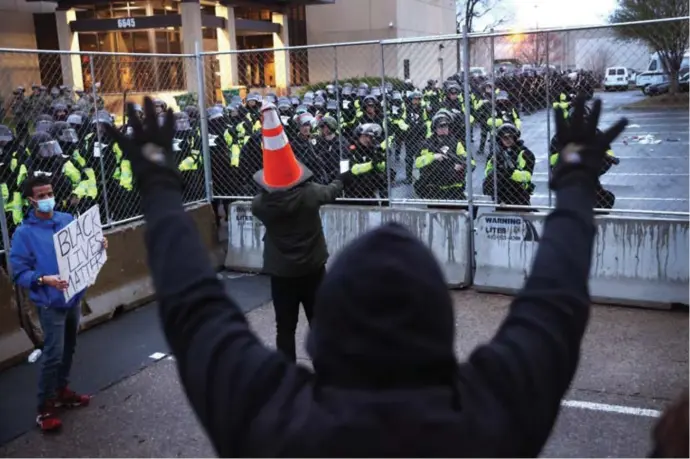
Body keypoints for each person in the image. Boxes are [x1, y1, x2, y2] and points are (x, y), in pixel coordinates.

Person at [105, 95, 627, 457]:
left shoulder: (275, 427)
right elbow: (553, 303)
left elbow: (195, 309)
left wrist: (155, 182)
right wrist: (577, 176)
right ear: (441, 330)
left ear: (324, 335)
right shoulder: (489, 423)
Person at [9, 174, 108, 432]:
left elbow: (82, 250)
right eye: (41, 196)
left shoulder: (66, 220)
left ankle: (61, 391)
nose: (47, 199)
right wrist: (44, 279)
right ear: (30, 200)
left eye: (49, 193)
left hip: (73, 297)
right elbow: (19, 273)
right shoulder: (24, 233)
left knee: (69, 348)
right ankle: (44, 407)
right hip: (49, 303)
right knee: (53, 354)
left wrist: (99, 246)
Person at [252, 102, 349, 362]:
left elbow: (259, 200)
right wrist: (342, 179)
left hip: (281, 273)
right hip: (312, 269)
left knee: (285, 327)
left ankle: (288, 377)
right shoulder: (310, 194)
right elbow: (331, 191)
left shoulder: (262, 205)